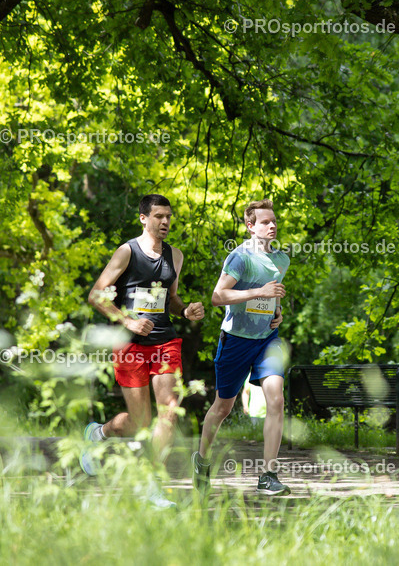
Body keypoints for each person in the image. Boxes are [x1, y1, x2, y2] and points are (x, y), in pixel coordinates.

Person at [80, 194, 204, 508]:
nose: (165, 222)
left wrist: (184, 311)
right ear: (143, 218)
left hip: (164, 340)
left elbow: (170, 299)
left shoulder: (175, 256)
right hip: (129, 345)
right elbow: (96, 295)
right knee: (139, 424)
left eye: (169, 217)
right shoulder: (127, 252)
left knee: (169, 410)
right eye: (159, 216)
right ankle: (99, 433)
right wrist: (128, 322)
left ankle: (152, 484)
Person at [193, 199, 290, 496]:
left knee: (276, 399)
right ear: (250, 226)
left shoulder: (282, 259)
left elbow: (271, 296)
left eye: (273, 221)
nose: (271, 225)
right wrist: (260, 292)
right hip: (235, 341)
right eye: (264, 222)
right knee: (223, 408)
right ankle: (202, 461)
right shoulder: (240, 258)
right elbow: (218, 296)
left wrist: (276, 312)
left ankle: (268, 475)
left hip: (266, 341)